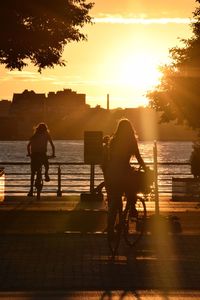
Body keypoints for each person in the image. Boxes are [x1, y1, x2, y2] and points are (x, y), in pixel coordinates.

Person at [104, 118, 147, 236]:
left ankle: (110, 230)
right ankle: (131, 208)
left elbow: (109, 159)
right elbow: (138, 158)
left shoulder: (113, 140)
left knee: (114, 201)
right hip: (123, 171)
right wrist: (146, 169)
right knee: (132, 187)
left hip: (111, 173)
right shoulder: (131, 141)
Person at [27, 123, 55, 196]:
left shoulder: (34, 135)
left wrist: (29, 154)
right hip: (42, 154)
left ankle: (31, 190)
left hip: (34, 155)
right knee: (46, 165)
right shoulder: (47, 134)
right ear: (45, 129)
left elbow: (28, 146)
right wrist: (53, 154)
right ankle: (46, 173)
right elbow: (52, 145)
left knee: (33, 173)